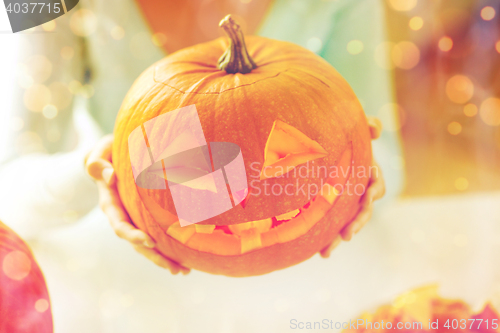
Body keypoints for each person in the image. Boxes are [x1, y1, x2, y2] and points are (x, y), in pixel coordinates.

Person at [0, 0, 400, 330]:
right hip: (130, 291)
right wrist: (102, 168)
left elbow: (386, 162)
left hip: (313, 294)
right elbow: (9, 188)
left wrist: (361, 175)